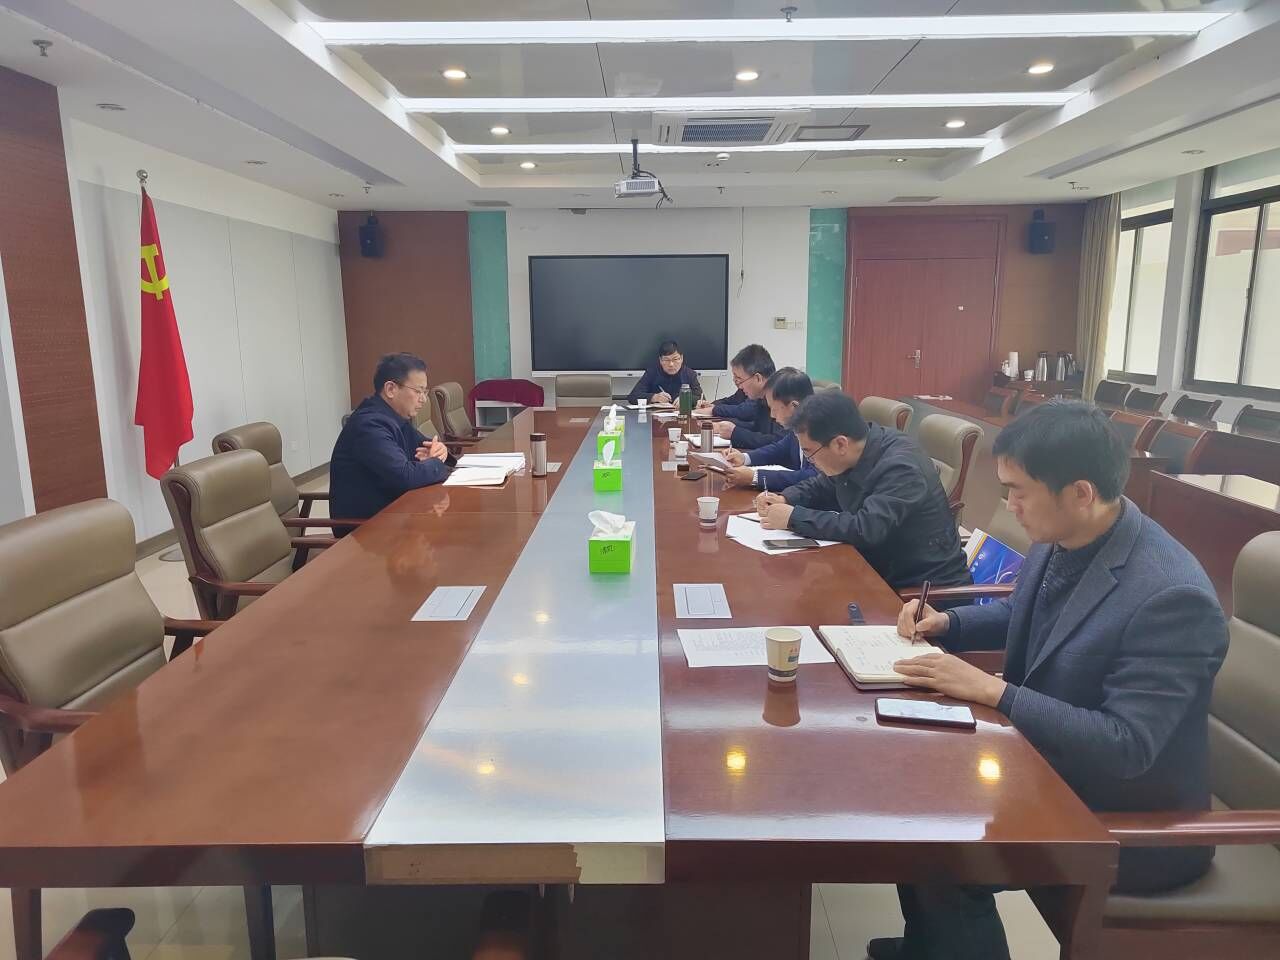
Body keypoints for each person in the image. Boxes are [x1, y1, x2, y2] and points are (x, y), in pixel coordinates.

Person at [869, 402, 1229, 960]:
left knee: (948, 851)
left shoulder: (1170, 597)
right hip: (1050, 768)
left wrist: (995, 692)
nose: (1008, 505)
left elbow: (1127, 746)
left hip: (1131, 821)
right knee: (913, 789)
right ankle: (931, 945)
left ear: (1080, 493)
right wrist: (949, 624)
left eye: (1018, 492)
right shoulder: (1067, 535)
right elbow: (1025, 613)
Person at [754, 390, 969, 590]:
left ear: (840, 444)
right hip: (874, 569)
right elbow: (824, 484)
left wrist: (794, 517)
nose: (811, 461)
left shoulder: (902, 467)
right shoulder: (858, 450)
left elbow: (866, 529)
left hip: (918, 592)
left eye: (810, 453)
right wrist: (786, 498)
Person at [330, 353, 454, 520]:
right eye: (418, 391)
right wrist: (436, 462)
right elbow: (405, 477)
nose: (424, 399)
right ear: (390, 389)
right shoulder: (369, 425)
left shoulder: (395, 418)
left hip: (395, 513)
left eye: (425, 392)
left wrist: (440, 450)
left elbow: (427, 446)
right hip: (365, 527)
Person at [721, 367, 817, 492]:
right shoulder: (798, 427)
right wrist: (744, 458)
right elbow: (779, 449)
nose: (772, 415)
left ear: (794, 406)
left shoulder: (820, 431)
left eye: (775, 409)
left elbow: (813, 477)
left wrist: (755, 477)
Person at [695, 344, 781, 449]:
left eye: (740, 379)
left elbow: (778, 442)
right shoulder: (762, 397)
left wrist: (735, 433)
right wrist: (722, 426)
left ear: (758, 378)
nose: (739, 386)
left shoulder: (782, 396)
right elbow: (757, 428)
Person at [627, 339, 702, 404]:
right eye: (666, 360)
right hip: (656, 415)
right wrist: (654, 397)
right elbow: (633, 396)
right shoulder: (652, 372)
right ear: (660, 360)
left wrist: (686, 399)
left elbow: (700, 397)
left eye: (675, 359)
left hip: (681, 414)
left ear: (681, 358)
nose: (671, 364)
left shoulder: (690, 374)